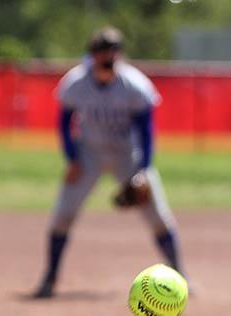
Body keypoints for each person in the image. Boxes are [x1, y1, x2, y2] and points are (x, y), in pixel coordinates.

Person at [33, 26, 184, 298]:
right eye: (103, 55)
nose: (108, 61)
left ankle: (181, 275)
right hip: (89, 153)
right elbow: (64, 123)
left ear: (120, 56)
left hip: (128, 155)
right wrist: (72, 159)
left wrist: (144, 169)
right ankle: (50, 277)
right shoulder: (76, 83)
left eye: (112, 55)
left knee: (158, 216)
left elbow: (147, 130)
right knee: (62, 215)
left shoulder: (135, 85)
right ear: (92, 57)